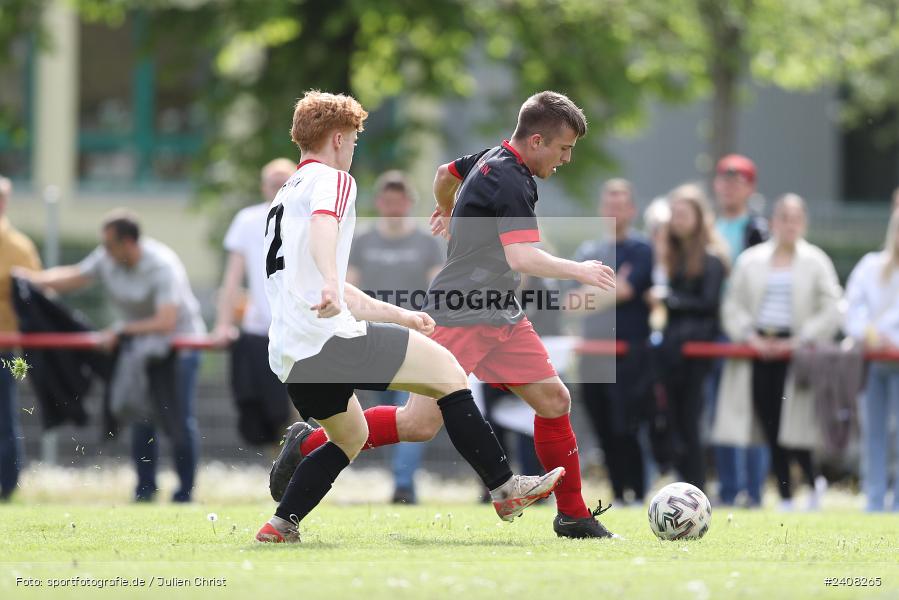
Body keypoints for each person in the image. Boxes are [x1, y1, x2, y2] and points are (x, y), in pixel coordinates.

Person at [274, 91, 618, 540]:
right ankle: (312, 444)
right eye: (564, 148)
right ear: (536, 141)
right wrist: (580, 270)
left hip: (502, 315)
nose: (566, 159)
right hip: (463, 311)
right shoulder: (512, 180)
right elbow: (521, 257)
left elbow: (444, 174)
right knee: (419, 424)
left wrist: (447, 206)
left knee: (554, 400)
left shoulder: (491, 156)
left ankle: (573, 516)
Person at [15, 211, 206, 502]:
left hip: (179, 348)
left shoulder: (162, 265)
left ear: (128, 242)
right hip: (140, 348)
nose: (103, 251)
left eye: (109, 245)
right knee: (140, 415)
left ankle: (185, 494)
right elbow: (74, 277)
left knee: (178, 421)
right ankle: (145, 492)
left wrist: (121, 329)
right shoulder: (108, 258)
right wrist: (31, 280)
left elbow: (166, 321)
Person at [716, 195, 842, 510]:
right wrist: (749, 336)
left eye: (795, 217)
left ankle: (813, 483)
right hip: (759, 350)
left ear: (803, 223)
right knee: (769, 423)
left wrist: (802, 338)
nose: (789, 224)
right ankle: (785, 494)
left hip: (798, 353)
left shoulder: (815, 261)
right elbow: (733, 304)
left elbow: (831, 306)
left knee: (797, 425)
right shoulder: (752, 260)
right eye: (783, 217)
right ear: (774, 221)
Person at [346, 170, 445, 504]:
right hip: (372, 338)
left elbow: (437, 289)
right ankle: (400, 480)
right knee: (382, 414)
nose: (393, 205)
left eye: (399, 199)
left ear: (409, 202)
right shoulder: (362, 242)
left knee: (412, 411)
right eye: (387, 200)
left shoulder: (425, 244)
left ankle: (404, 484)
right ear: (379, 203)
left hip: (412, 339)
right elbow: (350, 287)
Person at [570, 179, 654, 505]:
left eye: (621, 204)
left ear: (632, 210)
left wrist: (597, 292)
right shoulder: (588, 253)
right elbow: (570, 303)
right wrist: (613, 289)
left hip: (629, 355)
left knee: (628, 427)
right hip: (593, 355)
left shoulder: (642, 250)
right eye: (609, 203)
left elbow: (628, 291)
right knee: (602, 428)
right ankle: (618, 494)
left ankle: (639, 493)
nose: (614, 210)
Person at [213, 158, 295, 448]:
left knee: (301, 414)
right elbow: (232, 279)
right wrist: (223, 324)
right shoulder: (247, 220)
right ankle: (281, 482)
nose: (279, 189)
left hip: (300, 330)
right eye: (274, 183)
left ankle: (304, 478)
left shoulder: (311, 218)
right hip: (261, 330)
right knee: (268, 412)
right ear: (263, 187)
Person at [653, 183, 727, 491]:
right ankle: (681, 485)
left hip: (697, 355)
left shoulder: (711, 259)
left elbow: (709, 305)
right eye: (675, 213)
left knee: (691, 422)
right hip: (670, 353)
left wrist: (669, 299)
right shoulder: (670, 256)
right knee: (669, 422)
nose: (678, 219)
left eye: (685, 213)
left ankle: (697, 489)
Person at [710, 154, 769, 507]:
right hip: (715, 331)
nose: (730, 187)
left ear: (750, 188)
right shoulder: (709, 227)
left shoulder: (757, 230)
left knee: (753, 412)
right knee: (721, 413)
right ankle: (730, 490)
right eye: (725, 180)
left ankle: (755, 491)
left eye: (738, 181)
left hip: (749, 331)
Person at [844, 208, 899, 512]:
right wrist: (873, 336)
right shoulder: (870, 266)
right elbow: (853, 308)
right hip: (873, 362)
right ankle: (874, 500)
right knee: (873, 433)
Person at [0, 176, 42, 500]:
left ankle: (7, 485)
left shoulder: (19, 247)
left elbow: (37, 296)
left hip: (9, 346)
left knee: (6, 413)